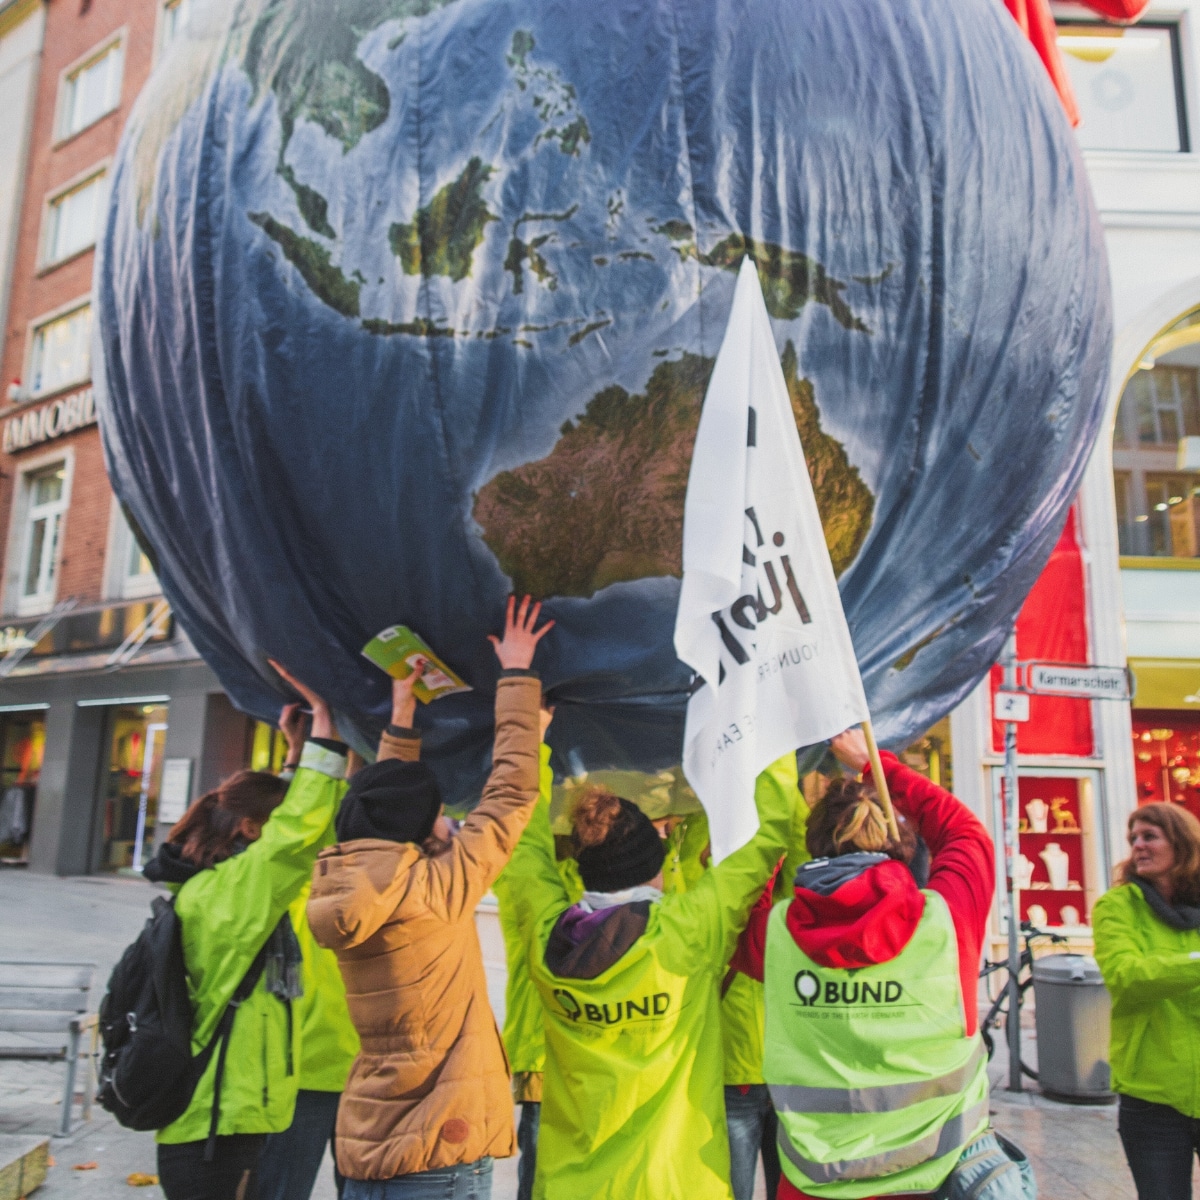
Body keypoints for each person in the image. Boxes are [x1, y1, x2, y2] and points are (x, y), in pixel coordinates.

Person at [307, 595, 553, 1199]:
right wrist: (517, 675)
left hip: (370, 1146)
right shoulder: (433, 891)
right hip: (437, 1152)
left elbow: (384, 812)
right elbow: (510, 797)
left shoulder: (349, 886)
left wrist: (401, 719)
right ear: (419, 829)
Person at [731, 728, 1015, 1200]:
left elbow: (739, 897)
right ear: (899, 841)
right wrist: (875, 766)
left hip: (816, 1185)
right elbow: (965, 833)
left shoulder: (776, 937)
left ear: (814, 843)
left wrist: (773, 822)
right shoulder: (947, 920)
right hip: (935, 1177)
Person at [504, 751, 798, 1199]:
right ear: (657, 866)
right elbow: (767, 832)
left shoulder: (551, 942)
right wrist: (775, 742)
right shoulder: (690, 930)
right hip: (678, 1186)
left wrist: (534, 738)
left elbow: (520, 840)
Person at [143, 663, 349, 1200]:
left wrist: (299, 757)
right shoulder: (240, 893)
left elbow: (300, 829)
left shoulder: (212, 886)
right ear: (253, 830)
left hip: (226, 1114)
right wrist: (324, 722)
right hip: (223, 1121)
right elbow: (296, 833)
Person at [658, 785, 810, 1200]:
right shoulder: (784, 923)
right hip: (786, 1076)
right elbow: (800, 848)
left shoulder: (699, 916)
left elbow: (683, 872)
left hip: (735, 1076)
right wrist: (786, 780)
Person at [255, 704, 361, 1200]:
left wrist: (302, 752)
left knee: (277, 1190)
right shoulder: (372, 889)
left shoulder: (283, 885)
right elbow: (307, 818)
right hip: (359, 1072)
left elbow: (293, 824)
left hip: (297, 1072)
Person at [1093, 802, 1200, 1200]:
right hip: (1151, 1096)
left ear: (1183, 844)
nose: (1138, 845)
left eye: (1149, 836)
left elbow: (1149, 970)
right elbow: (1127, 977)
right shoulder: (1117, 907)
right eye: (1133, 838)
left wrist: (1174, 968)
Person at [491, 734, 581, 1200]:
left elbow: (524, 841)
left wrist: (535, 742)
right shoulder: (594, 896)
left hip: (540, 1054)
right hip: (561, 1059)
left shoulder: (522, 890)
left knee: (540, 1180)